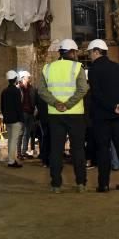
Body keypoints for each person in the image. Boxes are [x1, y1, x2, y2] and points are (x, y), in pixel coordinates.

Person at [38, 38, 89, 193]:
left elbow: (41, 90)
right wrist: (68, 104)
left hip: (55, 115)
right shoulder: (77, 67)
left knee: (56, 150)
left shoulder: (47, 68)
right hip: (75, 114)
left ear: (60, 52)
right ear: (72, 52)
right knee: (78, 149)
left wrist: (55, 103)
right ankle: (80, 183)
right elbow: (83, 89)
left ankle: (56, 185)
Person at [87, 39, 119, 192]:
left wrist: (112, 107)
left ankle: (104, 184)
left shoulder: (94, 69)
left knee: (103, 149)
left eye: (90, 53)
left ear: (96, 51)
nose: (89, 56)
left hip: (102, 117)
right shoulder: (117, 67)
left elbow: (97, 94)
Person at [0, 70, 24, 168]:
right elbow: (18, 106)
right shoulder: (16, 91)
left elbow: (2, 107)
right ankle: (11, 161)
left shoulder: (4, 91)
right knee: (14, 140)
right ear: (15, 79)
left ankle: (11, 159)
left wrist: (5, 116)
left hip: (7, 119)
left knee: (10, 140)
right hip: (15, 120)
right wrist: (21, 119)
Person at [17, 70, 37, 159]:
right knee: (20, 133)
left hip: (30, 114)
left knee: (27, 133)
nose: (29, 79)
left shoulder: (32, 88)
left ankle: (24, 151)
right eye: (28, 77)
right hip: (22, 113)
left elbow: (34, 100)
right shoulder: (18, 89)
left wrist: (35, 111)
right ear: (23, 78)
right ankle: (19, 153)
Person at [34, 85, 50, 167]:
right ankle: (49, 160)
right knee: (50, 140)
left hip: (43, 119)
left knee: (44, 139)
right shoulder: (51, 94)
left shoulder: (40, 94)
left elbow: (37, 107)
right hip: (51, 119)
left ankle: (44, 160)